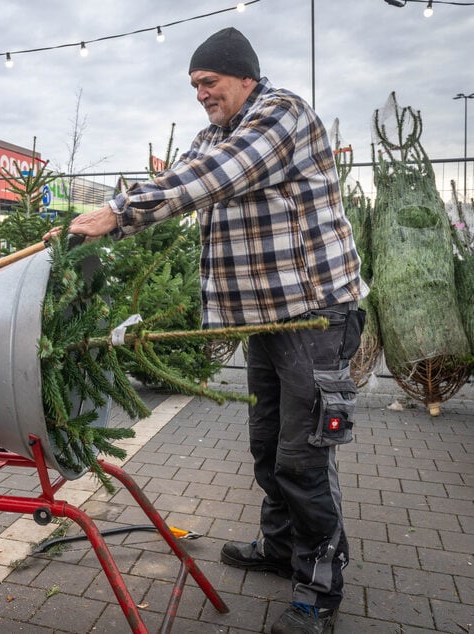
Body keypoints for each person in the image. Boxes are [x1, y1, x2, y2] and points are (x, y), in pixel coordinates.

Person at [50, 28, 366, 634]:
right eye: (193, 84)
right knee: (266, 443)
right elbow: (186, 171)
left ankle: (319, 586)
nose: (200, 93)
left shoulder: (282, 115)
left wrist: (118, 211)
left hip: (317, 316)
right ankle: (280, 548)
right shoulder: (212, 135)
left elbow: (216, 175)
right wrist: (104, 227)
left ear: (245, 76)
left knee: (303, 457)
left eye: (209, 81)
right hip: (269, 321)